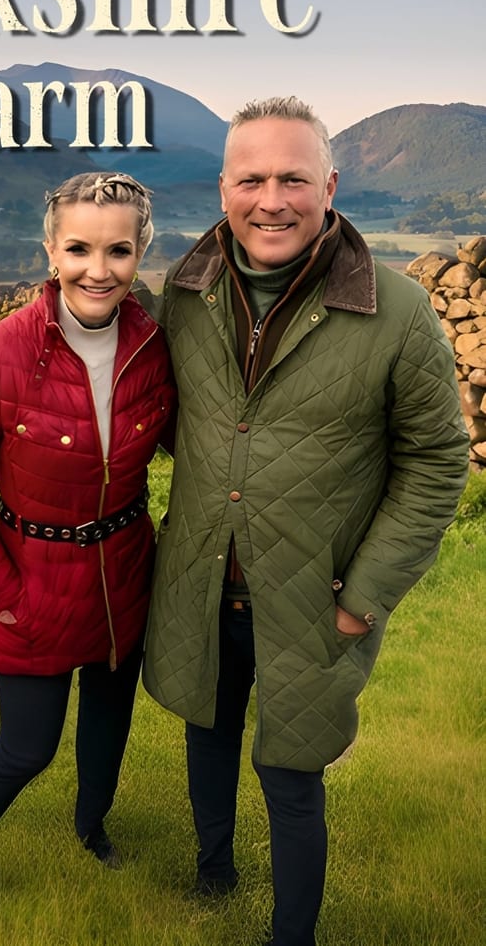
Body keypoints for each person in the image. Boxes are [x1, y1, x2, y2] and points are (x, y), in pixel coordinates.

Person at [141, 97, 470, 946]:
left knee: (291, 776)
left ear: (329, 184)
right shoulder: (184, 290)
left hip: (315, 595)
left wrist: (364, 596)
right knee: (206, 736)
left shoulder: (397, 310)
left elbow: (436, 462)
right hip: (200, 582)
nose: (272, 200)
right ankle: (213, 880)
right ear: (223, 188)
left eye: (294, 177)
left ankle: (292, 935)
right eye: (252, 178)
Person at [0, 171, 175, 875]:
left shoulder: (154, 349)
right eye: (79, 250)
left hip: (125, 573)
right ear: (50, 251)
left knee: (108, 726)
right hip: (31, 583)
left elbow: (195, 440)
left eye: (119, 252)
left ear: (140, 252)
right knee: (26, 747)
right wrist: (0, 592)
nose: (99, 271)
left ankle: (92, 828)